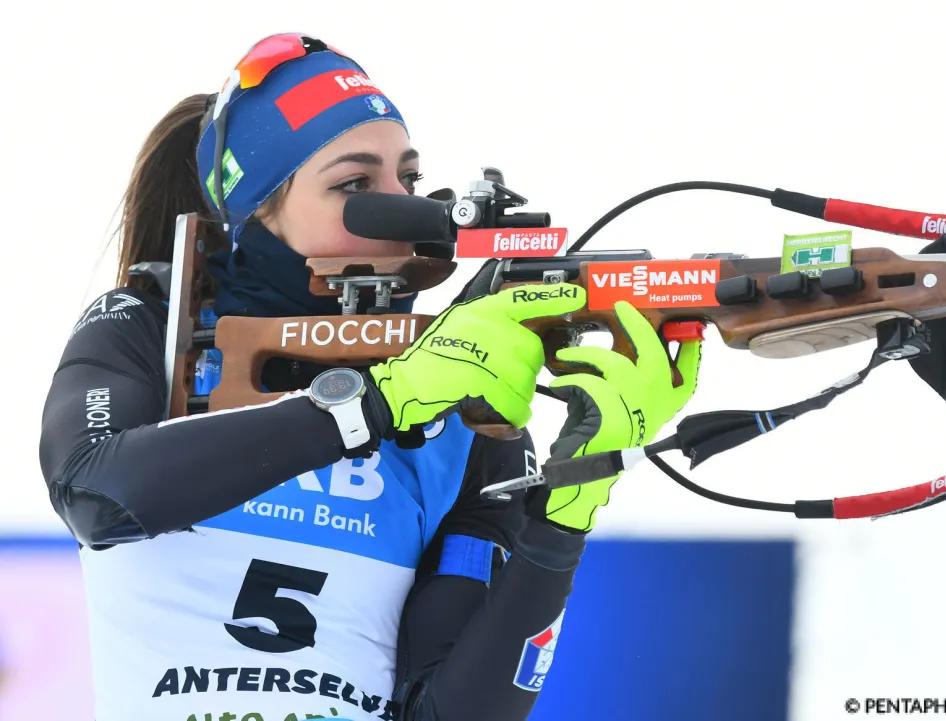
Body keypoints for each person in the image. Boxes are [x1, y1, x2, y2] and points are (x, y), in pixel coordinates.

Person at [38, 33, 702, 721]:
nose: (401, 214)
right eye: (355, 185)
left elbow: (450, 713)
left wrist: (565, 511)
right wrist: (371, 406)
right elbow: (96, 490)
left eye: (407, 182)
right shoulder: (152, 326)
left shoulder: (461, 407)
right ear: (254, 207)